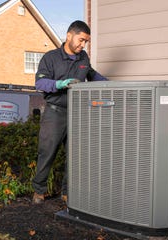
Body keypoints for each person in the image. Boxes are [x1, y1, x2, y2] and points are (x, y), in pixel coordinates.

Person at [32, 20, 108, 204]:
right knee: (47, 152)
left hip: (77, 114)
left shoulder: (83, 59)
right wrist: (59, 84)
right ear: (69, 35)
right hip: (55, 113)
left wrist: (110, 83)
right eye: (81, 40)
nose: (83, 45)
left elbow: (92, 74)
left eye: (86, 42)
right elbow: (40, 83)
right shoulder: (50, 58)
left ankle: (67, 192)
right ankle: (39, 191)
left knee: (75, 155)